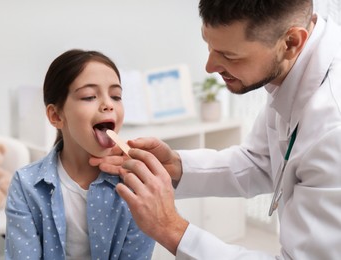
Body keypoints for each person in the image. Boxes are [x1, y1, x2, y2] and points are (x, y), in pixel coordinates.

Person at [90, 0, 341, 259]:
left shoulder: (333, 126)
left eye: (230, 56)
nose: (209, 67)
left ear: (290, 43)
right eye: (209, 46)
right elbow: (259, 161)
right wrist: (175, 165)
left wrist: (170, 228)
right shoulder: (293, 66)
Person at [5, 49, 155, 260]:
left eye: (116, 96)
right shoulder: (26, 184)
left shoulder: (136, 186)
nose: (108, 104)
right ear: (56, 115)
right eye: (89, 96)